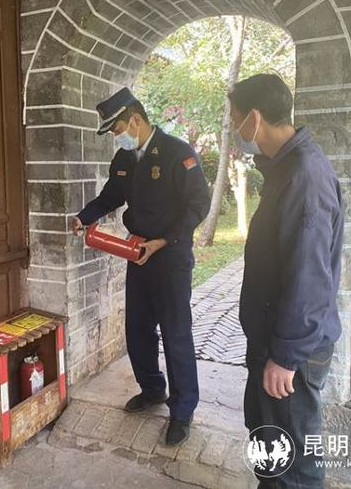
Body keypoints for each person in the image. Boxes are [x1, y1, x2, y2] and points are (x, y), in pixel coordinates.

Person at [72, 87, 211, 445]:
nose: (116, 137)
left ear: (134, 120)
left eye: (117, 129)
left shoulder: (178, 153)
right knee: (137, 328)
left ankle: (182, 410)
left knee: (176, 332)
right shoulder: (125, 159)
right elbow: (110, 197)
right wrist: (83, 217)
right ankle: (152, 389)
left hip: (171, 255)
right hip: (137, 254)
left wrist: (164, 241)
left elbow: (199, 204)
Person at [231, 74, 344, 488]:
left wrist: (285, 356)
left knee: (294, 461)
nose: (235, 129)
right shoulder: (286, 169)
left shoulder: (304, 177)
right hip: (274, 336)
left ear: (254, 118)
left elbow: (308, 276)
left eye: (235, 119)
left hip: (290, 347)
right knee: (271, 444)